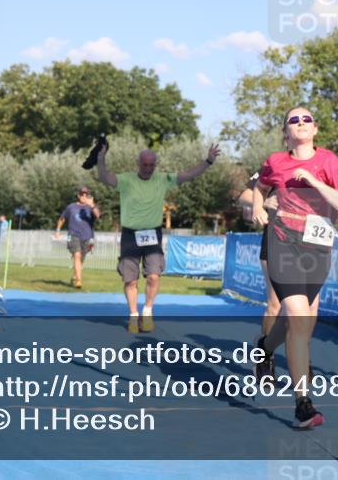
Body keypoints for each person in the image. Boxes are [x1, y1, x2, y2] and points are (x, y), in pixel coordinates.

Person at [251, 106, 338, 429]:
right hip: (283, 242)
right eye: (293, 120)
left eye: (306, 119)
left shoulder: (329, 162)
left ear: (315, 128)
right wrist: (258, 206)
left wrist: (313, 181)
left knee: (299, 322)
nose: (300, 123)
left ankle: (264, 350)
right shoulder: (275, 162)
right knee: (297, 318)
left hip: (318, 249)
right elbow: (260, 185)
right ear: (286, 132)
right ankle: (303, 404)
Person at [97, 143, 220, 333]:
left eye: (151, 165)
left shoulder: (163, 180)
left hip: (152, 235)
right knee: (130, 280)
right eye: (144, 164)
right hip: (130, 234)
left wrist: (209, 161)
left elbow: (189, 174)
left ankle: (147, 311)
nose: (147, 168)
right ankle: (133, 315)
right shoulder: (126, 180)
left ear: (155, 165)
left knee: (154, 276)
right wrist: (101, 157)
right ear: (138, 163)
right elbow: (104, 177)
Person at [238, 173, 281, 380]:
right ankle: (266, 357)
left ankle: (302, 357)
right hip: (274, 240)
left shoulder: (320, 163)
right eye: (288, 137)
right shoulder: (273, 165)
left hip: (306, 244)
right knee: (275, 304)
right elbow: (244, 196)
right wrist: (262, 202)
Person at [54, 186, 100, 289]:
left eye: (86, 194)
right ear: (78, 195)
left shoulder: (91, 207)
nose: (84, 196)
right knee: (77, 255)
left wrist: (92, 205)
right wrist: (57, 230)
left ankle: (74, 277)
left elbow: (98, 216)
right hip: (73, 235)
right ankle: (79, 280)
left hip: (87, 237)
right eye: (82, 194)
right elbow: (62, 219)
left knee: (81, 258)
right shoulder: (71, 207)